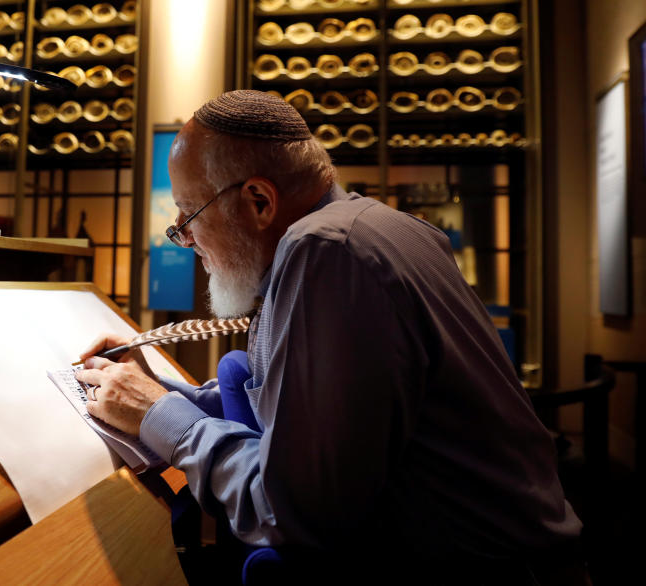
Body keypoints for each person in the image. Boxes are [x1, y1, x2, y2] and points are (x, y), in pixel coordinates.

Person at [75, 90, 584, 584]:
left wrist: (158, 418)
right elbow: (308, 407)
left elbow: (290, 509)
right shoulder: (375, 228)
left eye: (190, 214)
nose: (185, 238)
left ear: (258, 200)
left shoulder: (326, 250)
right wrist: (160, 396)